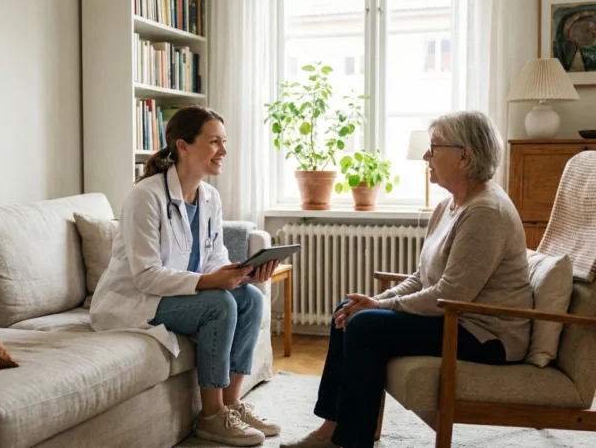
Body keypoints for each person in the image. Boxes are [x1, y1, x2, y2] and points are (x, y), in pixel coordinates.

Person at [281, 111, 533, 448]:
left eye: (435, 147)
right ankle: (333, 427)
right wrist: (373, 303)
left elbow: (451, 293)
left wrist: (380, 305)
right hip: (456, 318)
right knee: (349, 311)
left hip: (486, 333)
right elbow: (421, 277)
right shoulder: (449, 205)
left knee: (364, 325)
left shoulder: (487, 212)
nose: (427, 156)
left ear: (465, 155)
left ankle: (349, 440)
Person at [90, 105, 280, 447]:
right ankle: (210, 417)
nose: (223, 151)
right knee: (219, 304)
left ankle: (231, 405)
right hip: (135, 300)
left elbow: (214, 258)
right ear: (183, 146)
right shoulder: (145, 197)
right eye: (214, 142)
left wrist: (242, 275)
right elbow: (146, 276)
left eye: (224, 142)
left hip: (176, 294)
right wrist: (212, 283)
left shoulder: (210, 196)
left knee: (250, 299)